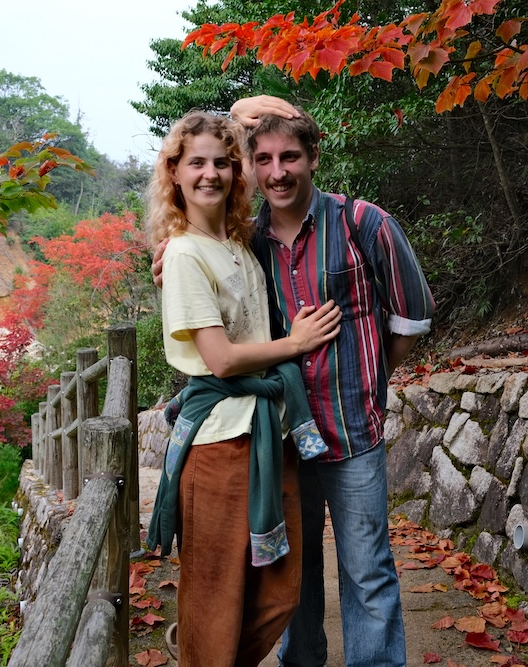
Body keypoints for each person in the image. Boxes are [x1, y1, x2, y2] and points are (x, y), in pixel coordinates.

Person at [155, 98, 435, 667]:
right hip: (280, 438)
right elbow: (205, 275)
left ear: (312, 158)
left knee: (367, 570)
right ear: (252, 168)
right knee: (293, 575)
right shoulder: (248, 240)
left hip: (353, 431)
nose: (277, 170)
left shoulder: (362, 222)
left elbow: (409, 319)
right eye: (264, 158)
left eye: (290, 156)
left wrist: (367, 377)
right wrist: (170, 251)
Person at [143, 111, 342, 667]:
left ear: (236, 171)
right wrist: (296, 343)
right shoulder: (182, 253)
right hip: (217, 444)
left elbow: (280, 118)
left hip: (265, 433)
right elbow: (222, 359)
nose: (210, 174)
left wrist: (239, 121)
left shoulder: (236, 241)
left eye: (221, 162)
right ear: (175, 173)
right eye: (195, 163)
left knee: (280, 590)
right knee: (214, 598)